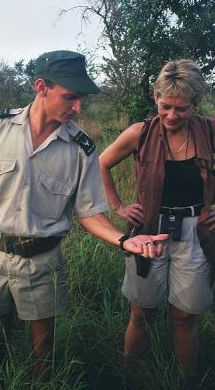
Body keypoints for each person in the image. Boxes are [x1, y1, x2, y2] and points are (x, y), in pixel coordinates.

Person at [0, 50, 167, 383]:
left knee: (45, 353)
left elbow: (91, 214)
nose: (78, 107)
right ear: (41, 87)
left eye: (81, 99)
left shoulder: (81, 148)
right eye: (70, 97)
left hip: (41, 263)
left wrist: (126, 240)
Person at [100, 59, 215, 390]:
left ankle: (189, 381)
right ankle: (130, 377)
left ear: (195, 104)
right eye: (166, 106)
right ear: (155, 98)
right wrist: (119, 206)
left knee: (186, 316)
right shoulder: (141, 132)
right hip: (150, 232)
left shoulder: (209, 131)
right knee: (142, 312)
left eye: (182, 109)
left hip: (196, 232)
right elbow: (102, 163)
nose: (172, 116)